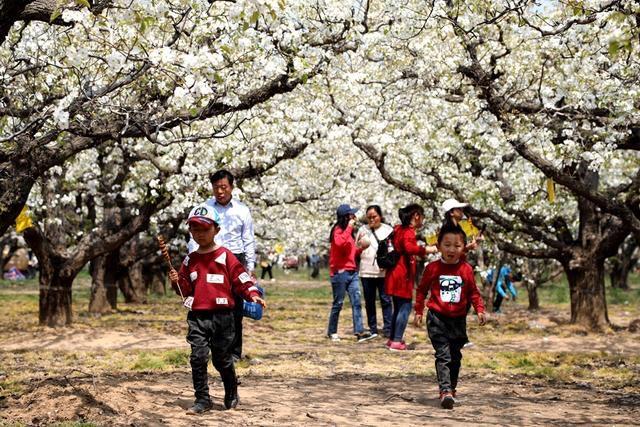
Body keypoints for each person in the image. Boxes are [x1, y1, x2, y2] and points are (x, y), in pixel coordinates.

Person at [169, 204, 266, 414]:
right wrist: (176, 281)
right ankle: (202, 399)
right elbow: (183, 290)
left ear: (217, 230)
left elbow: (241, 279)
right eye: (195, 229)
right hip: (197, 316)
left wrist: (253, 294)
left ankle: (231, 389)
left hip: (223, 318)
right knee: (198, 357)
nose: (200, 234)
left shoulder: (225, 255)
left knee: (221, 359)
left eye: (204, 229)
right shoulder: (190, 259)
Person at [414, 223, 486, 409]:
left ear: (464, 248)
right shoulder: (432, 268)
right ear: (438, 247)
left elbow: (473, 292)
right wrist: (419, 311)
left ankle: (451, 389)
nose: (452, 249)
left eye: (457, 245)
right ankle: (444, 390)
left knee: (455, 356)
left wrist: (479, 309)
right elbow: (421, 291)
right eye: (447, 245)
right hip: (437, 318)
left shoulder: (466, 270)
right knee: (443, 355)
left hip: (458, 320)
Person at [188, 169, 256, 361]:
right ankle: (209, 348)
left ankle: (234, 352)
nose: (220, 191)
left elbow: (248, 238)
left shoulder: (242, 210)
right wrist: (193, 258)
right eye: (216, 187)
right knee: (208, 303)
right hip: (209, 257)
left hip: (235, 257)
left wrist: (249, 267)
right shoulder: (204, 208)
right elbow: (194, 236)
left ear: (232, 187)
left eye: (224, 187)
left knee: (235, 306)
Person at [385, 204, 438, 351]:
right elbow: (409, 249)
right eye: (422, 217)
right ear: (416, 216)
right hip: (402, 274)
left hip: (394, 273)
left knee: (398, 307)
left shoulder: (397, 229)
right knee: (405, 306)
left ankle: (392, 339)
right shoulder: (408, 232)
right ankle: (396, 341)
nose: (423, 220)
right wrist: (426, 250)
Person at [326, 203, 374, 343]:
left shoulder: (349, 232)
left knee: (356, 302)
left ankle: (359, 332)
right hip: (339, 272)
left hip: (352, 272)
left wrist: (361, 248)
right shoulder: (338, 230)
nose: (354, 216)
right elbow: (340, 244)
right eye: (352, 214)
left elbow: (351, 252)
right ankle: (332, 331)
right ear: (346, 217)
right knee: (338, 303)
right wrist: (349, 228)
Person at [355, 205, 393, 338]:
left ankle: (388, 328)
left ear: (380, 216)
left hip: (383, 272)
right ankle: (373, 329)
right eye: (369, 217)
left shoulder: (388, 230)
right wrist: (361, 245)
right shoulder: (362, 229)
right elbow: (356, 249)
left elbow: (392, 250)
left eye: (374, 216)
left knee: (386, 300)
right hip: (366, 271)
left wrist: (388, 263)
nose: (371, 219)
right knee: (369, 301)